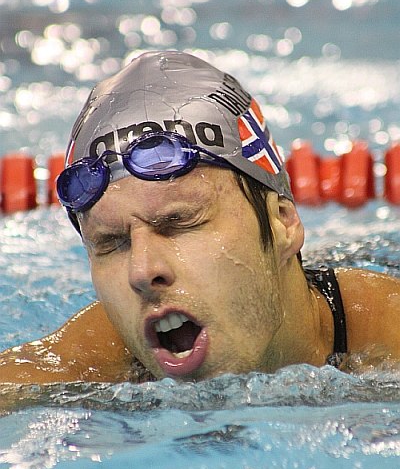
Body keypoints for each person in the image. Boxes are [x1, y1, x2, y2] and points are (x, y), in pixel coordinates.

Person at [1, 50, 400, 384]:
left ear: (283, 223)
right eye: (111, 243)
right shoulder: (92, 360)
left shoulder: (384, 335)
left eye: (178, 223)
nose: (141, 272)